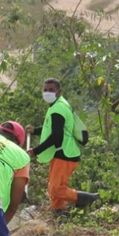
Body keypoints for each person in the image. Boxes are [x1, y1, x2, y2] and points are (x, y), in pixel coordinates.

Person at [29, 78, 98, 215]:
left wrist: (35, 151)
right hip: (61, 152)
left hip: (65, 153)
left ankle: (86, 198)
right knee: (53, 188)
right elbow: (54, 127)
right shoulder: (58, 105)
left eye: (51, 90)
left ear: (59, 92)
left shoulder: (58, 107)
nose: (47, 93)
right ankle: (59, 212)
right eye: (45, 90)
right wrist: (35, 130)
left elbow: (56, 136)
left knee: (56, 189)